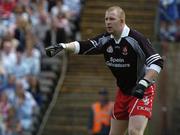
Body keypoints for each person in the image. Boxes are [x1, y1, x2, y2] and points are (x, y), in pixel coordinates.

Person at [45, 6, 164, 135]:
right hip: (123, 92)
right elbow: (86, 45)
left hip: (142, 91)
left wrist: (144, 82)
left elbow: (157, 62)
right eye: (106, 19)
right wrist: (63, 46)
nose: (108, 22)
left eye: (112, 19)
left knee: (134, 132)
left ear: (122, 21)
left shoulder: (136, 39)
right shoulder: (106, 39)